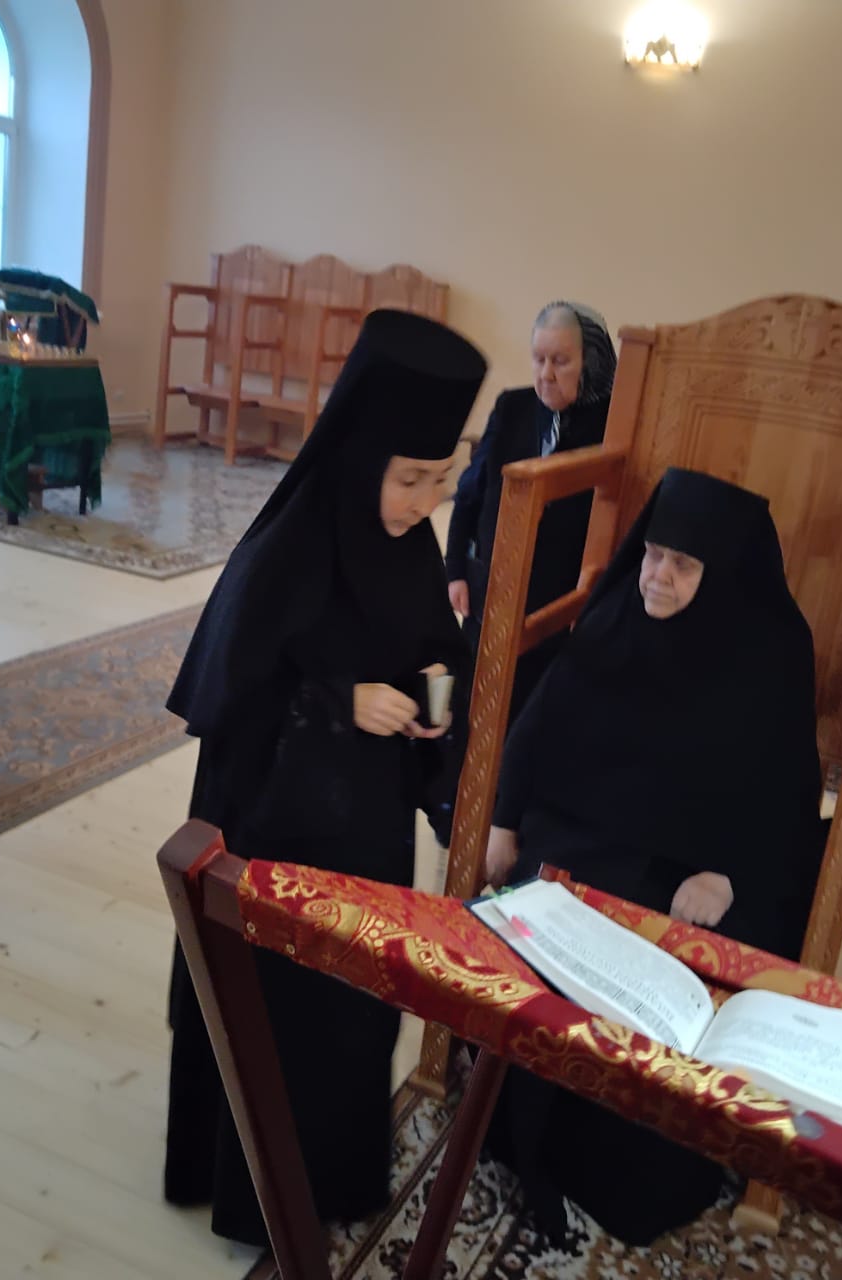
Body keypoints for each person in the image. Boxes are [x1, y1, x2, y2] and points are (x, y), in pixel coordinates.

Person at [162, 309, 488, 1246]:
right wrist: (340, 701)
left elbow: (433, 649)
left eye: (440, 479)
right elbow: (235, 697)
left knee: (352, 1014)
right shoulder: (289, 545)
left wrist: (433, 702)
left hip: (366, 829)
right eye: (410, 478)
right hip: (275, 836)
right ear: (361, 456)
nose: (425, 501)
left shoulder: (411, 546)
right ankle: (250, 1193)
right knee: (279, 1017)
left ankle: (334, 1178)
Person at [482, 467, 826, 1246]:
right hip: (580, 843)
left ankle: (611, 1167)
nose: (656, 576)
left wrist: (727, 874)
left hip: (687, 869)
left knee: (678, 963)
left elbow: (783, 797)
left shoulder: (770, 654)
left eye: (682, 564)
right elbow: (540, 723)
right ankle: (518, 1132)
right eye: (653, 554)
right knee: (542, 930)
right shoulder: (616, 618)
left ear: (721, 576)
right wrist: (503, 820)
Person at [445, 300, 616, 719]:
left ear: (591, 361)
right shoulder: (513, 407)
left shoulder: (613, 423)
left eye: (561, 361)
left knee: (529, 713)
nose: (546, 374)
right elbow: (470, 493)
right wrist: (455, 568)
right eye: (539, 359)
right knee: (470, 706)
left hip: (555, 607)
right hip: (491, 591)